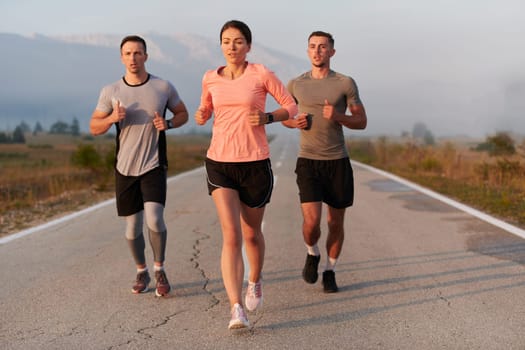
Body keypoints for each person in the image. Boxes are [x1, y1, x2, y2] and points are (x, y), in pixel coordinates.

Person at [194, 20, 297, 329]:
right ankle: (236, 307)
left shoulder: (261, 74)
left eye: (238, 41)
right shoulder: (210, 77)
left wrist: (267, 117)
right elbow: (205, 109)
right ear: (221, 45)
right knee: (231, 235)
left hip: (254, 163)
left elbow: (291, 107)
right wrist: (202, 114)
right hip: (220, 162)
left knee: (251, 233)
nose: (232, 46)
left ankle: (255, 280)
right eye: (226, 41)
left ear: (248, 46)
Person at [90, 35, 188, 297]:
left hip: (154, 164)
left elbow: (183, 114)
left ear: (146, 56)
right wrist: (112, 117)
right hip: (125, 168)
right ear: (121, 57)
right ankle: (141, 270)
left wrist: (167, 124)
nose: (133, 58)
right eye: (128, 54)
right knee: (132, 228)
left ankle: (159, 268)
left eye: (138, 53)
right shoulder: (111, 91)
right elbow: (94, 127)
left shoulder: (162, 87)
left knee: (155, 219)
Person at [282, 31, 367, 293]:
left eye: (323, 47)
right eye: (312, 47)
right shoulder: (296, 84)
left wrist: (338, 116)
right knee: (311, 223)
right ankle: (312, 252)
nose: (317, 51)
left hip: (337, 162)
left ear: (332, 52)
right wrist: (293, 121)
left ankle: (330, 270)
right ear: (307, 51)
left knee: (335, 223)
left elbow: (362, 121)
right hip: (308, 161)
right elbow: (286, 116)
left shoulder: (345, 83)